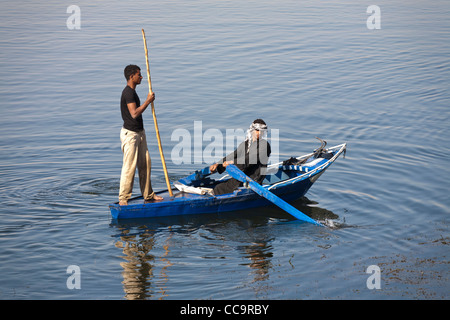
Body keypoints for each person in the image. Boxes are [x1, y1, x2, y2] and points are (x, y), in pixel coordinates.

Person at [118, 64, 163, 205]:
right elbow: (134, 113)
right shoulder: (128, 93)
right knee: (129, 167)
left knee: (145, 164)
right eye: (139, 74)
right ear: (132, 76)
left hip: (139, 133)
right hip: (130, 135)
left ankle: (148, 194)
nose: (141, 77)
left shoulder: (133, 91)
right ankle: (123, 199)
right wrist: (148, 101)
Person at [209, 119, 271, 195]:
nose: (259, 133)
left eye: (262, 131)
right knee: (218, 187)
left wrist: (232, 162)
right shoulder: (245, 144)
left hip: (254, 180)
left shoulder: (264, 145)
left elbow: (251, 158)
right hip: (242, 176)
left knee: (219, 189)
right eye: (257, 130)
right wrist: (218, 164)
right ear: (252, 130)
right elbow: (234, 155)